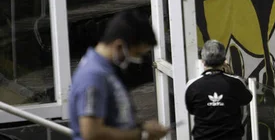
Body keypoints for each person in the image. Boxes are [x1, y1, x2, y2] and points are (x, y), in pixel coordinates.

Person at [68, 10, 170, 140]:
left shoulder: (106, 71)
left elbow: (114, 121)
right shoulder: (93, 76)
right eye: (137, 54)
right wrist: (142, 134)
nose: (138, 60)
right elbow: (91, 134)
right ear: (119, 46)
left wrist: (142, 127)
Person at [185, 40, 252, 140]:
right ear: (224, 60)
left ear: (203, 61)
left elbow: (191, 110)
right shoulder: (235, 82)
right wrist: (231, 75)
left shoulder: (192, 85)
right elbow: (247, 98)